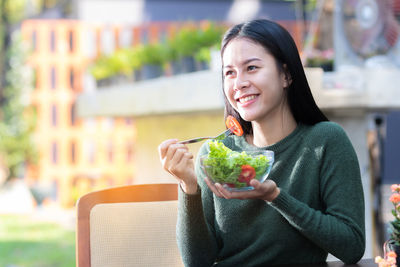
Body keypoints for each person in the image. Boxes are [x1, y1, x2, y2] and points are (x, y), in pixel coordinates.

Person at [158, 19, 365, 266]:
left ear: (286, 75)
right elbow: (198, 262)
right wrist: (189, 186)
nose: (239, 83)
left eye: (252, 68)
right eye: (229, 73)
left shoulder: (325, 141)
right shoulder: (216, 154)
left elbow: (352, 246)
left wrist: (277, 197)